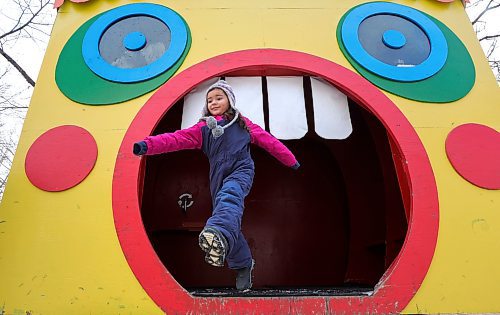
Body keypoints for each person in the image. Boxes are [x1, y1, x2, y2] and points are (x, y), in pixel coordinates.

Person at [133, 80, 299, 291]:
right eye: (209, 100)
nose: (213, 102)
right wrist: (147, 145)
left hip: (241, 171)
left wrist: (290, 160)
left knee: (229, 197)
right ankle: (243, 264)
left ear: (230, 100)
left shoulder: (243, 124)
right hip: (217, 176)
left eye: (219, 98)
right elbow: (175, 139)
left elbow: (269, 141)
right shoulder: (202, 128)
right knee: (229, 218)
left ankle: (217, 231)